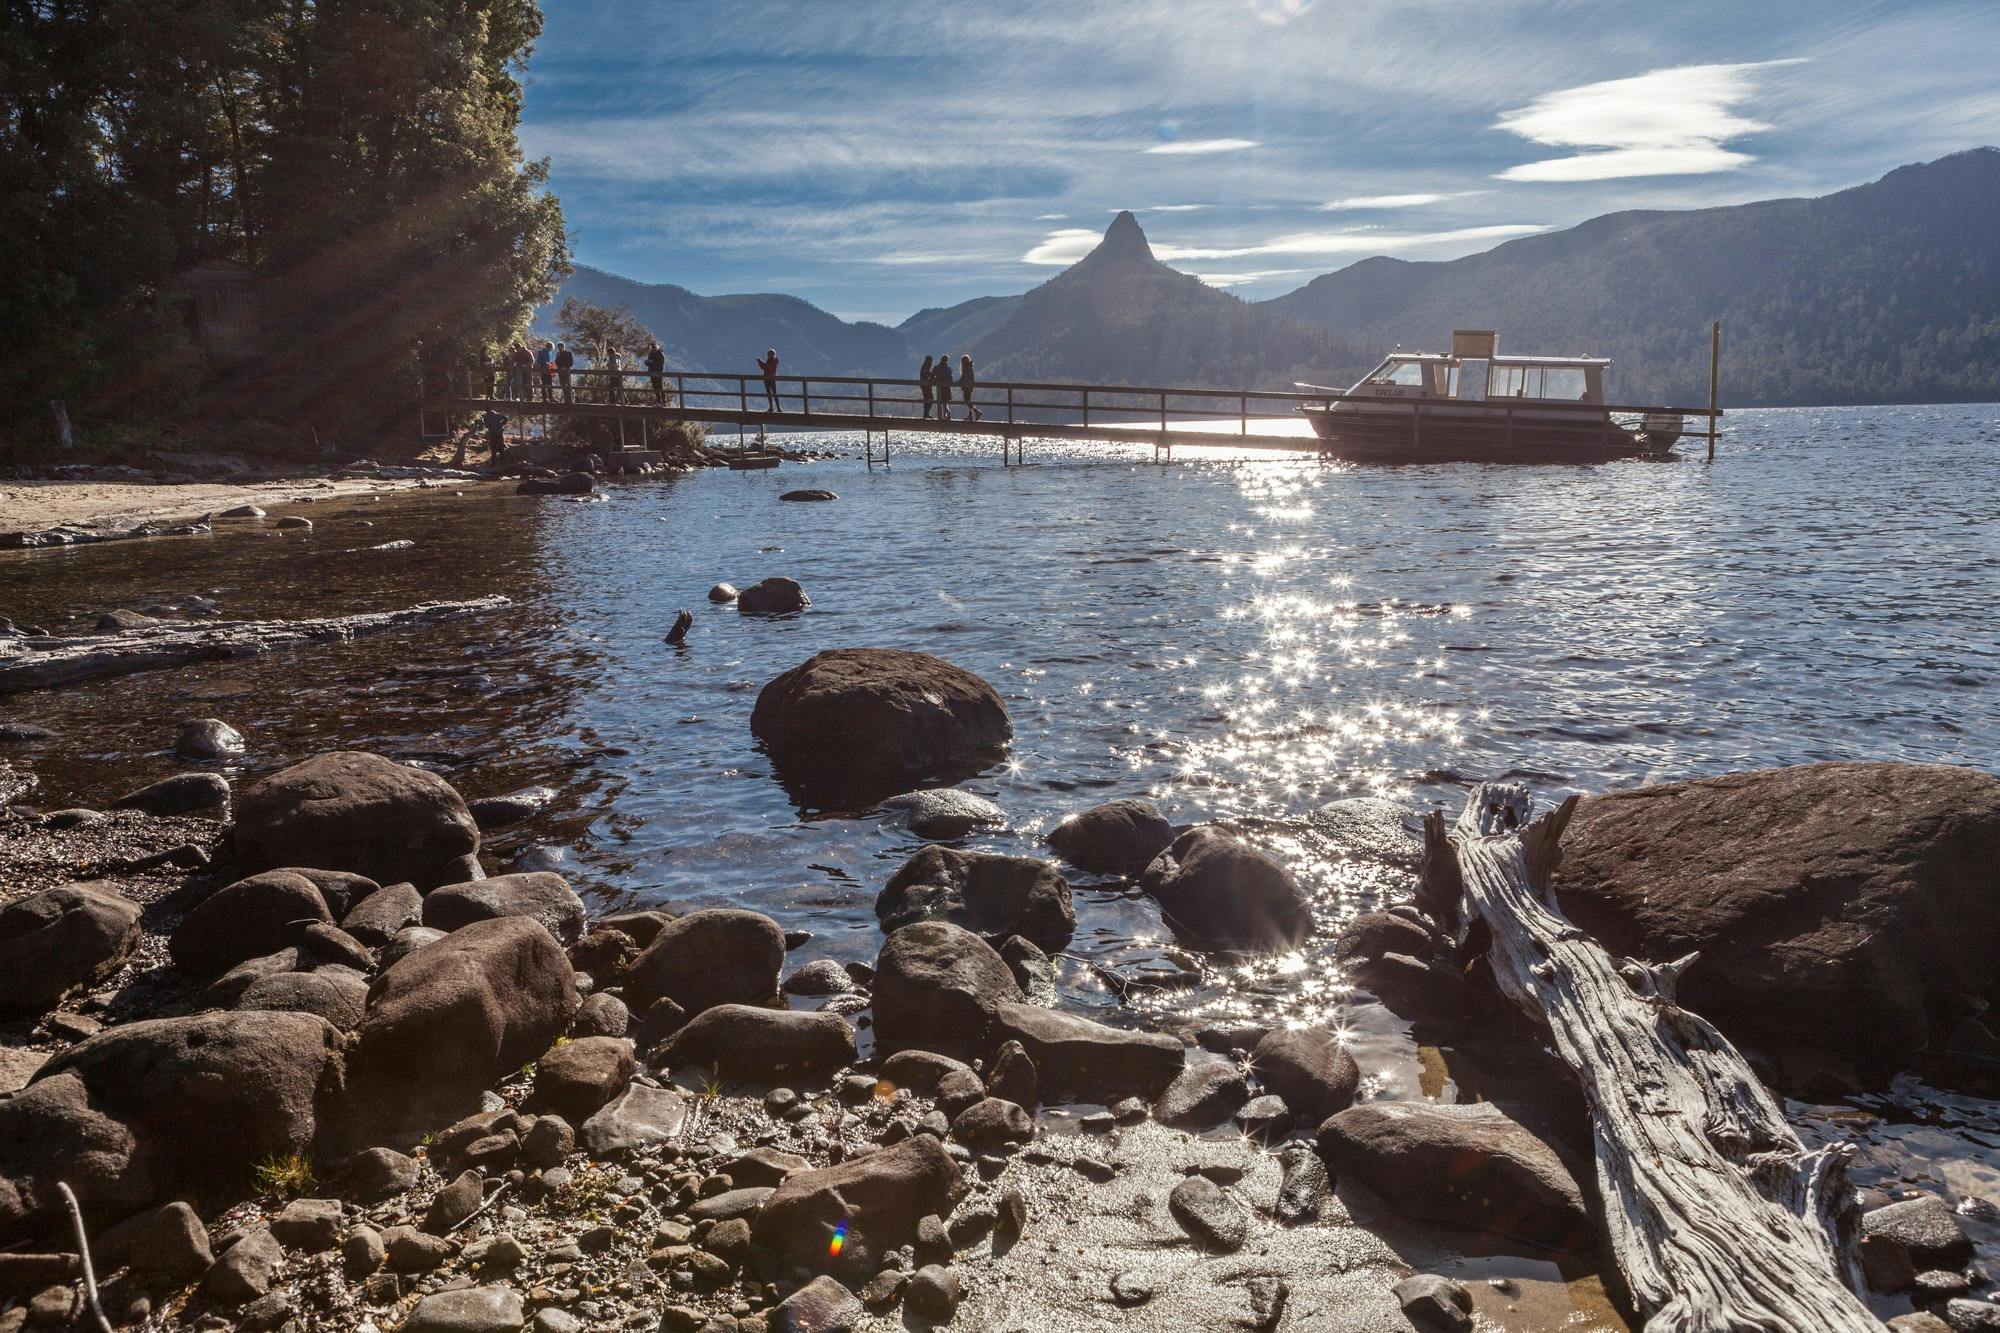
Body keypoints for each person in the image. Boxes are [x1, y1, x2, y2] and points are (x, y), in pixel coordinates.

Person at [931, 353, 953, 421]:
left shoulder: (936, 367)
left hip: (939, 387)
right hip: (946, 387)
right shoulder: (948, 368)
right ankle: (946, 414)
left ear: (941, 359)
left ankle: (944, 415)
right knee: (945, 401)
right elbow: (950, 378)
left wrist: (937, 381)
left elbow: (932, 376)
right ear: (947, 360)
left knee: (941, 401)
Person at [959, 354, 980, 420]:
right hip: (969, 386)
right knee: (968, 400)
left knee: (966, 400)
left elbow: (963, 378)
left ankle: (976, 412)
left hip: (967, 386)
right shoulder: (969, 367)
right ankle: (971, 415)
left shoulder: (966, 368)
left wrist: (957, 382)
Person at [918, 355, 935, 419]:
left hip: (924, 385)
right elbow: (928, 374)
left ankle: (926, 414)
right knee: (930, 398)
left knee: (927, 399)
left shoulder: (924, 366)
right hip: (926, 385)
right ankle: (926, 414)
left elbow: (926, 374)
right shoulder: (927, 365)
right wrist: (933, 378)